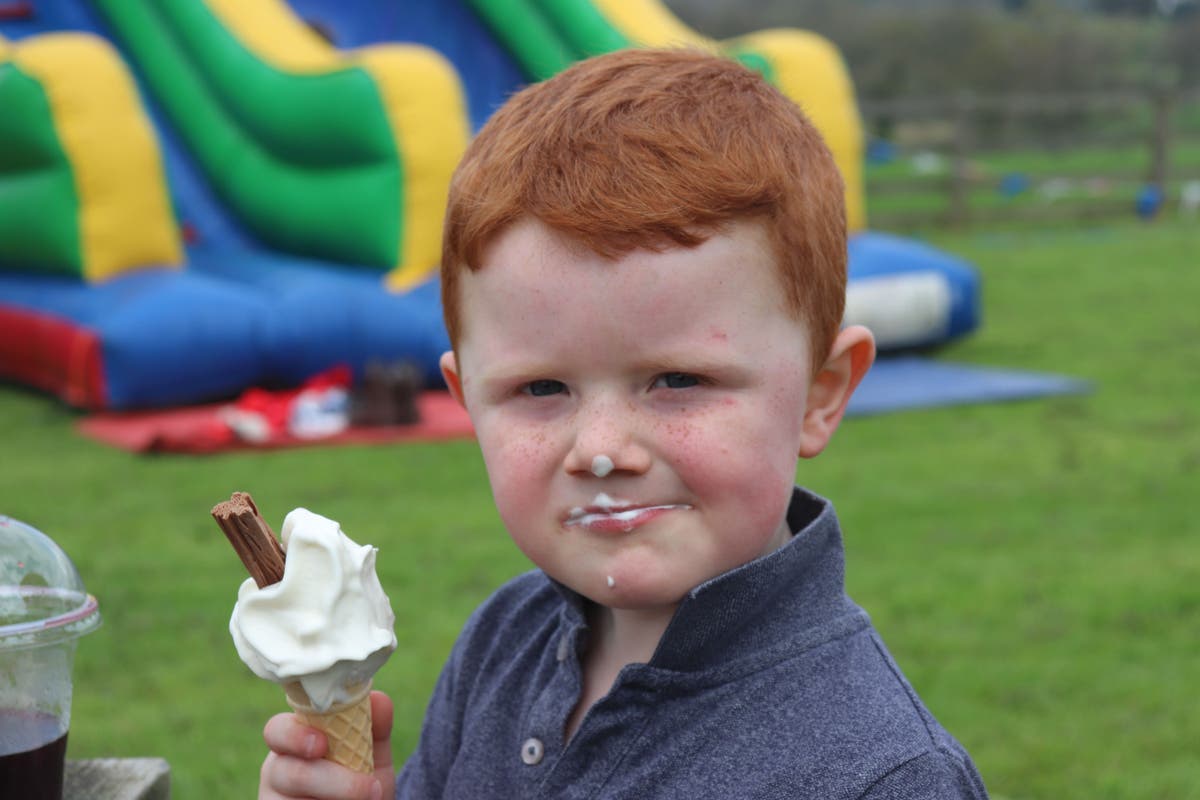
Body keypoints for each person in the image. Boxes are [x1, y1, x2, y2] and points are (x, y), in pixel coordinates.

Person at [258, 48, 989, 800]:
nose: (602, 451)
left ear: (819, 395)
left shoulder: (885, 776)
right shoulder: (506, 638)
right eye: (542, 387)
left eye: (678, 381)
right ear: (467, 398)